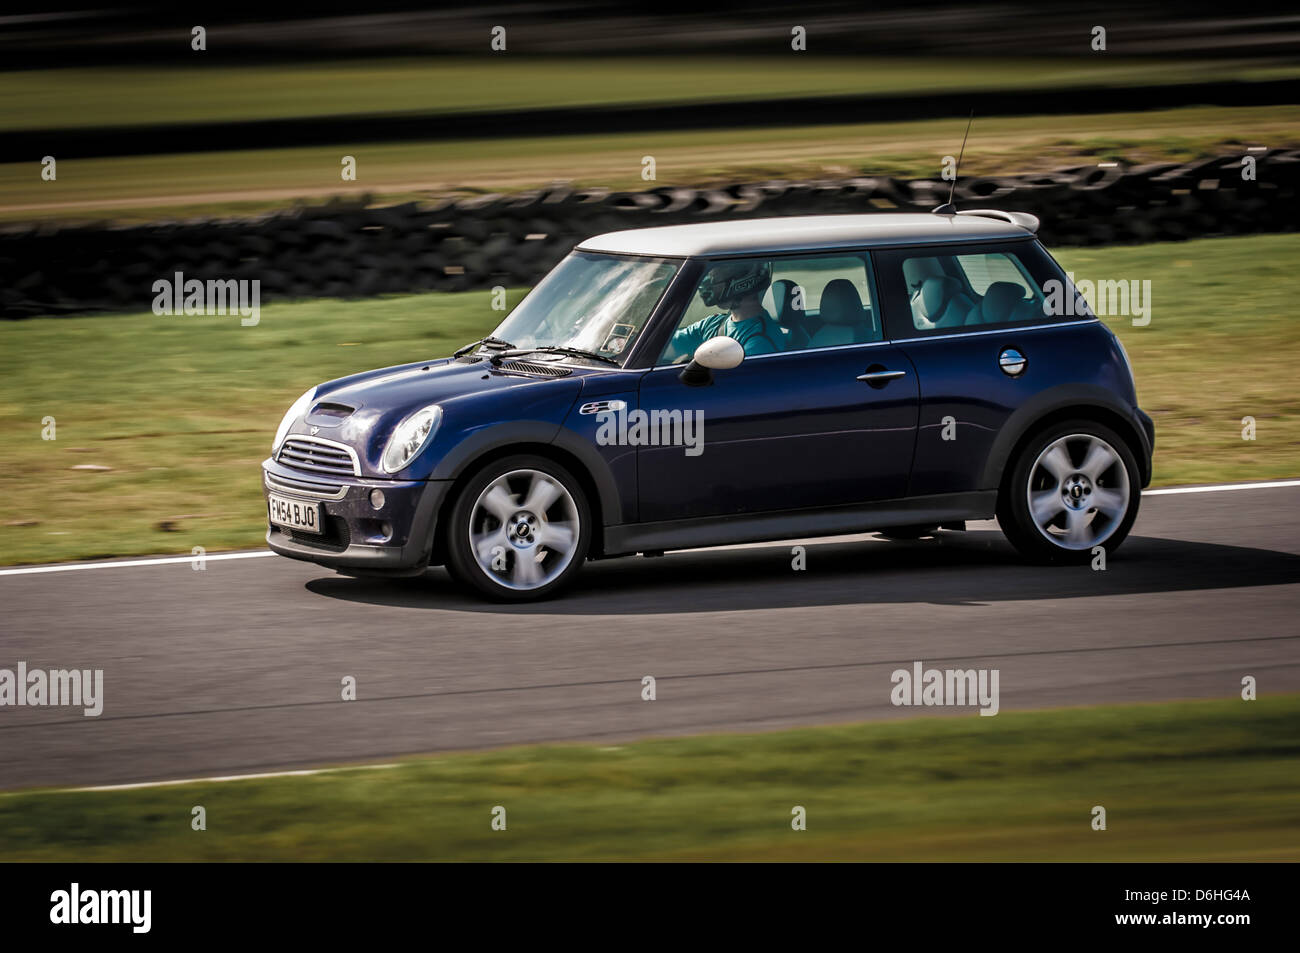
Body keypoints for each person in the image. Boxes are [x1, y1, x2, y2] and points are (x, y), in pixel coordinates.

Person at [666, 260, 789, 362]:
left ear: (743, 281)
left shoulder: (760, 340)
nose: (711, 278)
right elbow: (666, 347)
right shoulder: (712, 324)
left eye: (718, 273)